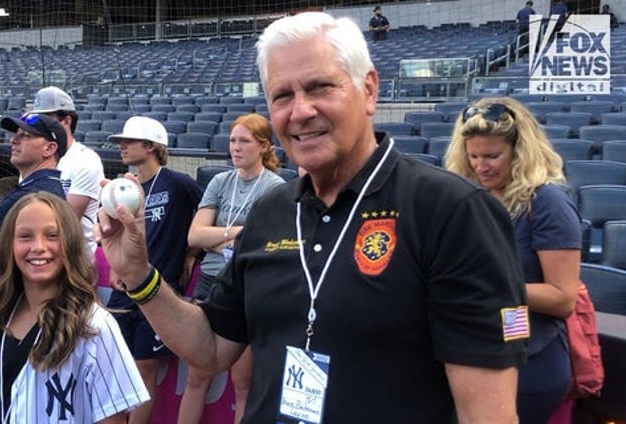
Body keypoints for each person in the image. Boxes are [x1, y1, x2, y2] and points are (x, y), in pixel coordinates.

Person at [96, 13, 529, 423]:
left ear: (370, 90)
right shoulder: (271, 212)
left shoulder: (455, 212)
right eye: (282, 96)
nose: (300, 111)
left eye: (321, 87)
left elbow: (488, 414)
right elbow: (210, 348)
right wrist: (138, 274)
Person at [0, 192, 149, 423]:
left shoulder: (94, 325)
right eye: (25, 236)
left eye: (52, 235)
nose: (39, 247)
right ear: (10, 245)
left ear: (70, 243)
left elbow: (111, 417)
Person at [445, 97, 579, 424]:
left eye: (492, 156)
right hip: (474, 350)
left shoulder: (547, 202)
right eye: (473, 156)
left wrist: (492, 287)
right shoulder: (470, 196)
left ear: (520, 152)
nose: (480, 166)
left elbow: (563, 298)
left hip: (530, 361)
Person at [179, 113, 285, 424]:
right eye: (232, 141)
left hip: (247, 285)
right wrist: (238, 233)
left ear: (264, 147)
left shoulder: (275, 187)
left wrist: (219, 237)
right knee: (196, 378)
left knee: (243, 385)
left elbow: (262, 244)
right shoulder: (219, 181)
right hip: (210, 281)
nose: (235, 147)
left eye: (244, 141)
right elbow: (194, 236)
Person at [105, 116, 202, 424]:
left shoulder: (178, 183)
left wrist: (191, 253)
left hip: (159, 291)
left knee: (145, 368)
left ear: (150, 146)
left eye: (128, 141)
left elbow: (207, 215)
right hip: (124, 292)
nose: (121, 146)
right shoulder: (123, 188)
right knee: (117, 371)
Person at [0, 113, 68, 258]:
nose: (13, 140)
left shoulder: (32, 194)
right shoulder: (44, 184)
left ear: (49, 149)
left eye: (26, 136)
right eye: (16, 134)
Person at [31, 87, 105, 259]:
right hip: (40, 259)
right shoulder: (36, 158)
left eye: (46, 119)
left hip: (75, 265)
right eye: (36, 120)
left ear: (66, 121)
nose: (38, 125)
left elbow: (64, 222)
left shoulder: (85, 160)